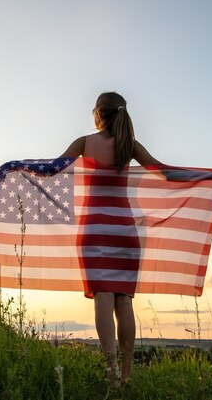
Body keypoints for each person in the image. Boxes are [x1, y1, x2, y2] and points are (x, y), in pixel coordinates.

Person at [59, 92, 161, 387]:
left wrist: (17, 167)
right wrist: (210, 176)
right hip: (124, 230)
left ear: (98, 114)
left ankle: (111, 373)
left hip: (94, 230)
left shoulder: (84, 143)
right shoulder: (130, 146)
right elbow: (163, 171)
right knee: (124, 302)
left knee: (103, 298)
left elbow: (53, 168)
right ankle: (127, 376)